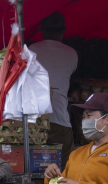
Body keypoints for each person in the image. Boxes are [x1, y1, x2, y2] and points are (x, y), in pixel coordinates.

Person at [29, 12, 77, 171]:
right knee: (62, 173)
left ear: (41, 30)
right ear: (64, 30)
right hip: (60, 121)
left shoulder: (32, 50)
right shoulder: (72, 54)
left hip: (35, 122)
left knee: (35, 170)